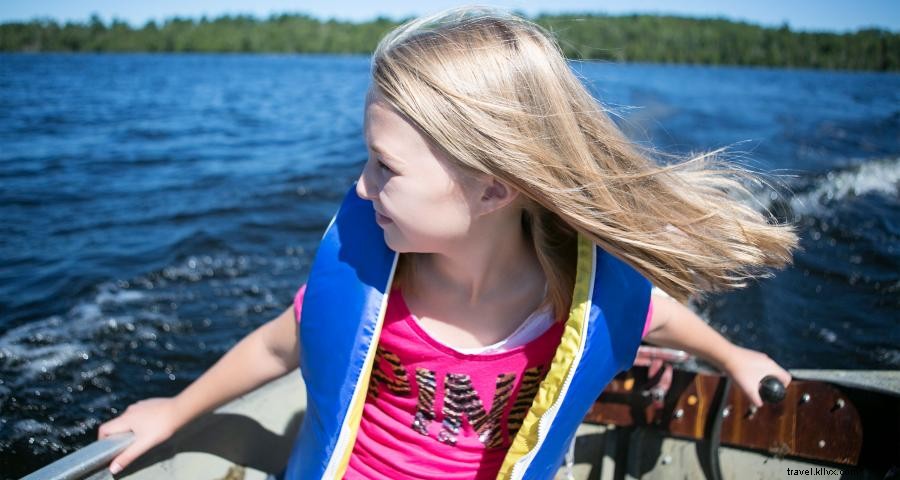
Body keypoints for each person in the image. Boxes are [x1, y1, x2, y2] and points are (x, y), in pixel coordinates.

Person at [97, 5, 798, 479]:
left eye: (385, 167)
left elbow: (663, 316)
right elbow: (278, 344)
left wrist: (732, 355)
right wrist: (175, 410)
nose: (361, 189)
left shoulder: (578, 299)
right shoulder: (375, 279)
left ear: (494, 190)